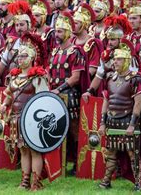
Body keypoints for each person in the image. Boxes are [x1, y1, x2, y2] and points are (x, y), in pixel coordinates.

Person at [98, 38, 141, 191]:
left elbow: (138, 103)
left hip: (128, 121)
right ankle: (106, 181)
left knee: (133, 154)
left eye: (118, 59)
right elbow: (106, 101)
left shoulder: (136, 79)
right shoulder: (110, 78)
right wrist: (102, 122)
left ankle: (138, 182)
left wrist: (132, 124)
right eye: (114, 59)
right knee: (111, 152)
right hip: (112, 120)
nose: (115, 62)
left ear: (126, 60)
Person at [0, 34, 49, 190]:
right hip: (15, 118)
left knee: (34, 150)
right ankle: (25, 181)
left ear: (32, 57)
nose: (20, 59)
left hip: (31, 120)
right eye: (18, 56)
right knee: (23, 150)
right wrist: (4, 104)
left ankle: (36, 182)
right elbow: (9, 94)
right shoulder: (14, 77)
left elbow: (43, 100)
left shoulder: (38, 77)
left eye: (23, 56)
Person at [49, 11, 90, 174]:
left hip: (70, 96)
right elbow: (49, 73)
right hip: (54, 95)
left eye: (60, 31)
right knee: (55, 129)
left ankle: (79, 163)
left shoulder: (76, 52)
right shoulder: (55, 52)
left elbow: (75, 77)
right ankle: (59, 161)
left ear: (67, 32)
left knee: (74, 131)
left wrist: (59, 89)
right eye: (55, 31)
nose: (56, 34)